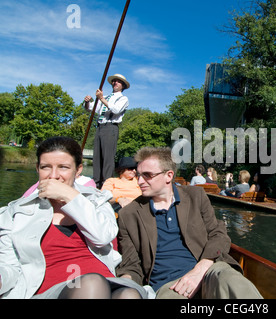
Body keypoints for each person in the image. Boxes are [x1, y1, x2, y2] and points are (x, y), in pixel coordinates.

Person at [0, 137, 146, 299]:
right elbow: (9, 267)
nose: (53, 176)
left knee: (129, 295)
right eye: (45, 167)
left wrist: (69, 195)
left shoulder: (97, 201)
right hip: (52, 291)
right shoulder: (15, 212)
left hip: (108, 283)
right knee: (92, 285)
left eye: (63, 167)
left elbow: (102, 237)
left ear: (78, 170)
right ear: (37, 168)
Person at [116, 147, 262, 299]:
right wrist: (126, 282)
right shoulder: (129, 215)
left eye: (147, 175)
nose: (139, 181)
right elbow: (131, 265)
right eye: (139, 175)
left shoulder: (196, 197)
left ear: (168, 175)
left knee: (231, 280)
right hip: (170, 286)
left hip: (208, 270)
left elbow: (218, 234)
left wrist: (201, 268)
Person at [84, 74, 130, 188]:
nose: (115, 83)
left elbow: (115, 110)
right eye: (114, 81)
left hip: (111, 128)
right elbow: (92, 109)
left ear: (123, 85)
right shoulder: (107, 97)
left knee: (108, 158)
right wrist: (87, 102)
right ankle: (96, 183)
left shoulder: (123, 98)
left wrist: (101, 98)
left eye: (118, 82)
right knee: (97, 157)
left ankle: (107, 185)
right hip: (100, 127)